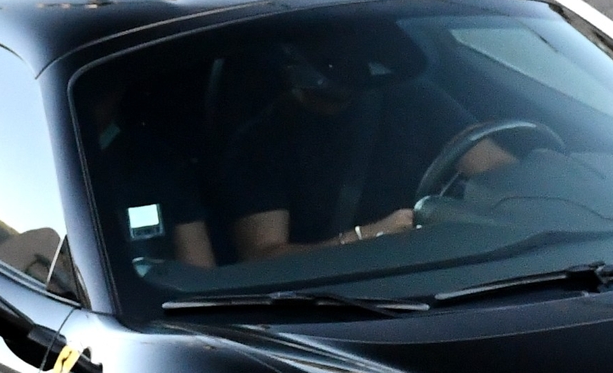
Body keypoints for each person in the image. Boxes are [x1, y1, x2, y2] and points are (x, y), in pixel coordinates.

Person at [217, 30, 517, 262]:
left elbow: (495, 168)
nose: (346, 61)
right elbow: (264, 257)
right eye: (330, 55)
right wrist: (368, 237)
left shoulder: (413, 98)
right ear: (294, 62)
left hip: (444, 263)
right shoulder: (259, 145)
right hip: (343, 289)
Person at [87, 83, 216, 270]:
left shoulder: (156, 164)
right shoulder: (44, 167)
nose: (91, 99)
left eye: (100, 87)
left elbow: (200, 268)